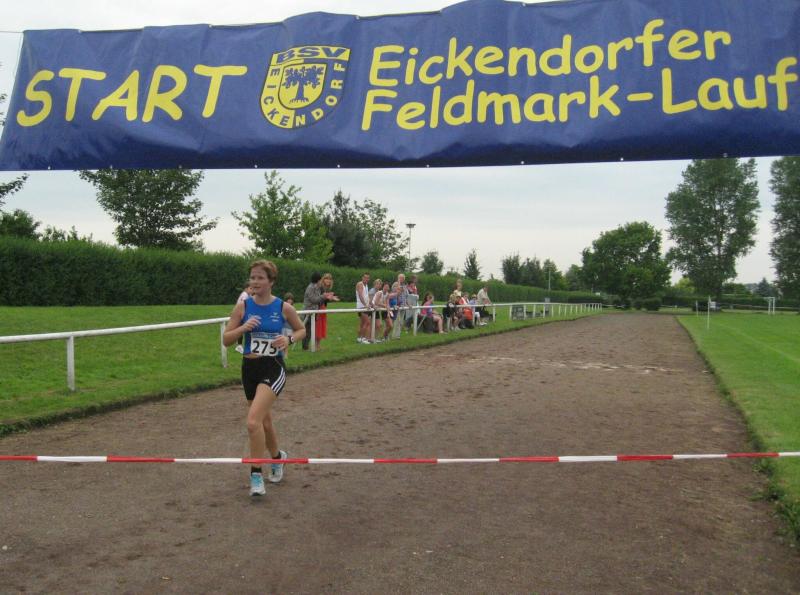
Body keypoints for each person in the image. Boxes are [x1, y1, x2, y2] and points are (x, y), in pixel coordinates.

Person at [223, 260, 305, 497]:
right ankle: (278, 458)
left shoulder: (283, 307)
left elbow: (301, 330)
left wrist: (288, 339)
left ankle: (256, 475)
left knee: (252, 422)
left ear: (271, 281)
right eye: (252, 277)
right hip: (249, 368)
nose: (255, 282)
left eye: (260, 278)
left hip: (273, 368)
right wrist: (243, 328)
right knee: (264, 423)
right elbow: (226, 340)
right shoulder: (243, 307)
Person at [314, 273, 340, 351]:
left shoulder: (325, 288)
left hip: (323, 308)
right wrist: (329, 297)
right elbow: (319, 298)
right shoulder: (320, 287)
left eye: (330, 279)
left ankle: (318, 345)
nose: (328, 280)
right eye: (326, 278)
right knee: (318, 327)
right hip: (319, 309)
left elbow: (325, 298)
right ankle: (315, 346)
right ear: (323, 279)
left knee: (322, 326)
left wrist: (331, 297)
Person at [301, 272, 324, 350]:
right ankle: (305, 347)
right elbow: (314, 300)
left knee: (310, 331)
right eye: (320, 279)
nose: (321, 281)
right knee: (307, 330)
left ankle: (306, 347)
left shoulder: (317, 287)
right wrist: (323, 296)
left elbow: (318, 300)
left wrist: (324, 297)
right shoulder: (310, 287)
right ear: (317, 280)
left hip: (313, 312)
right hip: (308, 312)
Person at [355, 272, 371, 344]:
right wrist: (365, 305)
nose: (366, 279)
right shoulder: (360, 284)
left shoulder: (366, 285)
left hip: (365, 306)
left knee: (362, 323)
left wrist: (369, 304)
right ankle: (363, 338)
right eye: (365, 277)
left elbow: (366, 296)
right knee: (367, 322)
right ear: (362, 278)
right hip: (361, 307)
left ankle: (359, 338)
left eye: (368, 278)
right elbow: (360, 295)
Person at [391, 273, 409, 339]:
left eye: (403, 278)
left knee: (401, 322)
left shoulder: (404, 286)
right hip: (397, 306)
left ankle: (398, 335)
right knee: (397, 321)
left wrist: (408, 304)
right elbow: (394, 291)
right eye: (401, 278)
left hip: (403, 306)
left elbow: (406, 296)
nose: (402, 279)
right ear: (398, 278)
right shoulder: (395, 284)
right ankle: (394, 335)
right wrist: (398, 283)